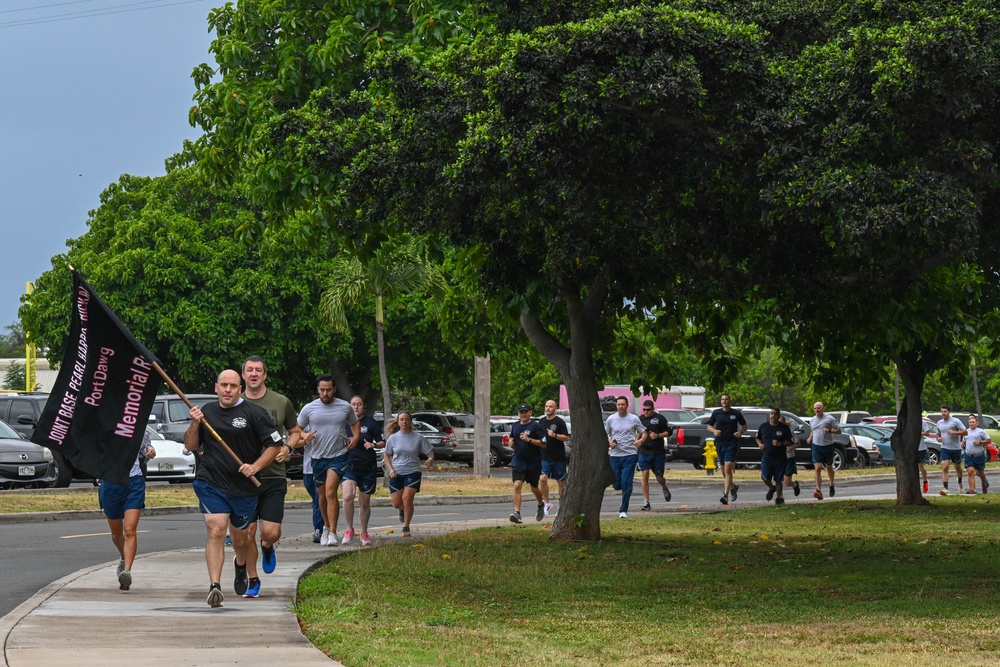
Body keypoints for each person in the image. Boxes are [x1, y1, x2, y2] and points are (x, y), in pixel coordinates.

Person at [183, 369, 282, 608]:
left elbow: (275, 445)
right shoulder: (204, 412)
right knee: (216, 530)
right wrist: (195, 424)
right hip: (211, 483)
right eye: (223, 385)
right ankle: (215, 586)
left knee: (242, 538)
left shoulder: (254, 413)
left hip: (244, 488)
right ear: (216, 387)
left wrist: (255, 466)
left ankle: (240, 565)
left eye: (233, 386)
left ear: (240, 388)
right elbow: (190, 445)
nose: (228, 390)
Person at [238, 355, 302, 597]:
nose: (254, 374)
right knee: (246, 532)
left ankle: (267, 547)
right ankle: (253, 580)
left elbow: (295, 432)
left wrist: (287, 448)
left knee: (270, 533)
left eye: (258, 370)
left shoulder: (281, 401)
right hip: (242, 477)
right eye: (249, 370)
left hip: (273, 476)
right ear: (243, 375)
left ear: (265, 375)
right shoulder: (235, 401)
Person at [297, 374, 360, 546]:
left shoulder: (344, 406)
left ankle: (332, 532)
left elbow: (355, 423)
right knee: (322, 496)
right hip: (317, 457)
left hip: (338, 455)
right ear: (317, 389)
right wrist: (304, 435)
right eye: (322, 390)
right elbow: (296, 429)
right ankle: (325, 527)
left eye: (329, 390)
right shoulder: (309, 408)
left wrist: (355, 437)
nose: (325, 393)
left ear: (334, 389)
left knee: (331, 491)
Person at [99, 431, 156, 591]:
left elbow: (147, 448)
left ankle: (127, 572)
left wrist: (150, 452)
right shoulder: (104, 426)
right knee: (117, 534)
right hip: (111, 483)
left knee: (129, 530)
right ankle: (124, 557)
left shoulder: (138, 426)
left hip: (134, 481)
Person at [383, 411, 435, 537]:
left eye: (406, 420)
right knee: (396, 503)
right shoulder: (393, 438)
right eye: (401, 420)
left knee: (407, 499)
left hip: (413, 471)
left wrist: (430, 458)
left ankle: (406, 526)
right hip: (396, 472)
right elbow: (386, 455)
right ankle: (402, 510)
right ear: (398, 422)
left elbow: (430, 452)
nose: (404, 422)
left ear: (410, 422)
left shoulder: (418, 437)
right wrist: (390, 469)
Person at [341, 396, 384, 546]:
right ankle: (349, 530)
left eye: (359, 404)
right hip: (349, 465)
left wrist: (373, 445)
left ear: (363, 407)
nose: (356, 407)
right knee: (348, 496)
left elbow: (382, 441)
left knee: (364, 503)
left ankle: (364, 533)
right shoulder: (344, 423)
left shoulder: (371, 423)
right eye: (353, 404)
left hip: (367, 466)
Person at [605, 396, 646, 518]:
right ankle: (622, 486)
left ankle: (623, 510)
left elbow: (643, 432)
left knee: (626, 481)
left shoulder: (633, 418)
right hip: (615, 455)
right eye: (618, 404)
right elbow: (606, 433)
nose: (620, 407)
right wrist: (609, 442)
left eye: (623, 404)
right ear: (616, 406)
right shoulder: (611, 419)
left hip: (630, 454)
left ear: (627, 405)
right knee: (617, 484)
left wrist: (641, 441)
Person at [508, 403, 547, 524]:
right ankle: (517, 513)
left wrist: (529, 440)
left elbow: (544, 443)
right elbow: (512, 440)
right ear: (518, 414)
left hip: (533, 462)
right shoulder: (515, 426)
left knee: (534, 488)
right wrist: (511, 443)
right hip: (518, 461)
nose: (523, 414)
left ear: (530, 412)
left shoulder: (536, 426)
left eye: (525, 412)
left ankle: (541, 505)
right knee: (517, 485)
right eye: (521, 412)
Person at [706, 394, 746, 505]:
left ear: (730, 401)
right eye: (722, 399)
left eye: (726, 399)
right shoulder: (716, 413)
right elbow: (709, 426)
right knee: (724, 471)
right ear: (721, 401)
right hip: (720, 443)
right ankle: (733, 487)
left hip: (731, 443)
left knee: (728, 470)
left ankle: (725, 495)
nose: (724, 401)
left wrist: (740, 432)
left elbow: (744, 425)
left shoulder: (736, 413)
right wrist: (714, 431)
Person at [637, 399, 673, 510]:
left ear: (653, 409)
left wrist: (658, 435)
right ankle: (646, 501)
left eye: (648, 410)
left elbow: (669, 432)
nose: (646, 412)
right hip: (644, 451)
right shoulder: (640, 419)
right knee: (645, 474)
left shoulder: (660, 418)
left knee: (659, 477)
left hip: (657, 452)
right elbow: (638, 432)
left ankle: (664, 487)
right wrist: (636, 441)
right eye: (644, 410)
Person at [537, 400, 570, 517]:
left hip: (558, 456)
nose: (548, 408)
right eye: (546, 406)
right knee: (542, 479)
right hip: (544, 456)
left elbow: (566, 437)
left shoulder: (559, 422)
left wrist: (555, 435)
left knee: (560, 482)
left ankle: (562, 505)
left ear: (555, 408)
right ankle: (547, 502)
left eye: (550, 406)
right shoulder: (541, 421)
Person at [925, 406, 967, 495]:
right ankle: (945, 488)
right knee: (945, 467)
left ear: (949, 412)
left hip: (956, 448)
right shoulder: (939, 423)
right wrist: (939, 438)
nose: (943, 413)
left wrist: (954, 432)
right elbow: (938, 434)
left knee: (958, 468)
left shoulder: (955, 421)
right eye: (942, 411)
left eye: (945, 411)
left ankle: (960, 481)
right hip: (945, 448)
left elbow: (965, 432)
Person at [756, 408, 794, 506]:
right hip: (767, 457)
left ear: (779, 416)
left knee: (778, 479)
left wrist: (780, 443)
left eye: (776, 414)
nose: (773, 416)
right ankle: (771, 488)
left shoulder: (784, 428)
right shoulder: (763, 426)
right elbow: (758, 438)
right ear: (770, 415)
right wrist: (760, 444)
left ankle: (779, 499)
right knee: (765, 478)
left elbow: (790, 442)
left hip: (780, 457)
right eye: (772, 414)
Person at [807, 402, 841, 500]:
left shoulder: (830, 419)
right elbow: (813, 431)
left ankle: (831, 483)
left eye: (819, 408)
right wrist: (810, 438)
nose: (817, 410)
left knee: (829, 468)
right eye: (815, 408)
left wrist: (829, 431)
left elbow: (839, 431)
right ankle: (818, 490)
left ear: (823, 408)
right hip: (816, 446)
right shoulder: (812, 420)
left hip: (828, 446)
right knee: (817, 468)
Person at [962, 414, 992, 495]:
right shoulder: (966, 432)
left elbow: (989, 441)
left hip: (979, 455)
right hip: (968, 455)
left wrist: (980, 442)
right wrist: (961, 444)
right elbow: (964, 442)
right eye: (970, 422)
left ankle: (984, 482)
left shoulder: (981, 431)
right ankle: (972, 490)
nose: (971, 423)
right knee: (970, 471)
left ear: (977, 423)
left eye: (973, 422)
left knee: (979, 473)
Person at [779, 415, 801, 497]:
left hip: (789, 458)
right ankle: (780, 498)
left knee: (787, 482)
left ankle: (795, 485)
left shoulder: (790, 432)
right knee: (778, 479)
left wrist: (790, 448)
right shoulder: (773, 432)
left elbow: (798, 443)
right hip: (778, 458)